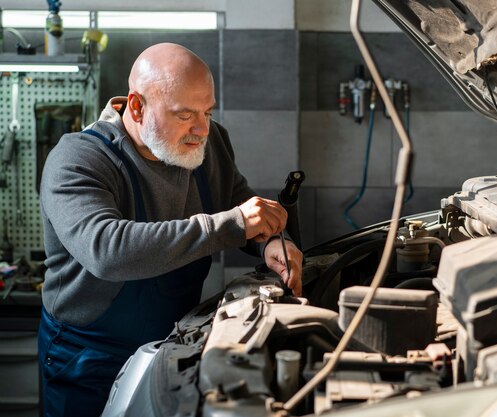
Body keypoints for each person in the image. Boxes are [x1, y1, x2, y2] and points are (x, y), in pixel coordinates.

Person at [37, 42, 303, 417]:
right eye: (184, 115)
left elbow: (236, 200)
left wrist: (271, 241)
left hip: (174, 345)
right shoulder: (78, 158)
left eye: (208, 112)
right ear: (137, 106)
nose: (201, 129)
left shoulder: (210, 143)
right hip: (88, 357)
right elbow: (107, 251)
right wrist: (234, 225)